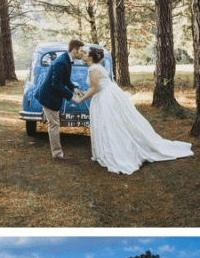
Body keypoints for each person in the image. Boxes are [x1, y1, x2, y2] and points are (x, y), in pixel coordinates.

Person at [73, 46, 195, 174]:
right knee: (112, 124)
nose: (82, 54)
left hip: (106, 98)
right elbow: (96, 87)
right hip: (106, 95)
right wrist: (82, 93)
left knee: (111, 124)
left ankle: (121, 150)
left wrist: (81, 99)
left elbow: (94, 89)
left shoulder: (94, 69)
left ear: (91, 57)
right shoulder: (95, 68)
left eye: (85, 53)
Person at [34, 38, 85, 160]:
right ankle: (57, 154)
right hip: (49, 98)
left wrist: (75, 89)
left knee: (54, 124)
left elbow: (65, 79)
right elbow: (56, 84)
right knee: (54, 125)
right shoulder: (61, 62)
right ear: (74, 50)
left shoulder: (67, 59)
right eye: (81, 51)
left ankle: (57, 153)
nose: (82, 54)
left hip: (53, 96)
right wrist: (71, 97)